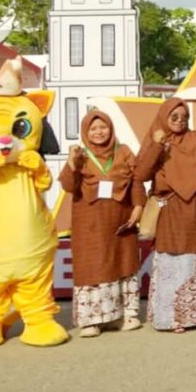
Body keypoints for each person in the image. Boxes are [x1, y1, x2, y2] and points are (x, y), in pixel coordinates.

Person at [135, 98, 196, 333]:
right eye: (174, 116)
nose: (180, 121)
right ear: (164, 117)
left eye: (184, 116)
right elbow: (142, 173)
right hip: (171, 209)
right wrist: (156, 146)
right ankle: (170, 318)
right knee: (171, 261)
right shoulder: (156, 140)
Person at [58, 110, 144, 337]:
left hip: (121, 220)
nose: (99, 132)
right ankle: (90, 321)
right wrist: (71, 162)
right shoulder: (80, 155)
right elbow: (68, 186)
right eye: (93, 129)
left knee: (122, 263)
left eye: (103, 127)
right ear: (85, 132)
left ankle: (123, 316)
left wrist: (138, 207)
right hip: (90, 223)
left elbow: (136, 181)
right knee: (92, 266)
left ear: (111, 128)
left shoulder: (124, 152)